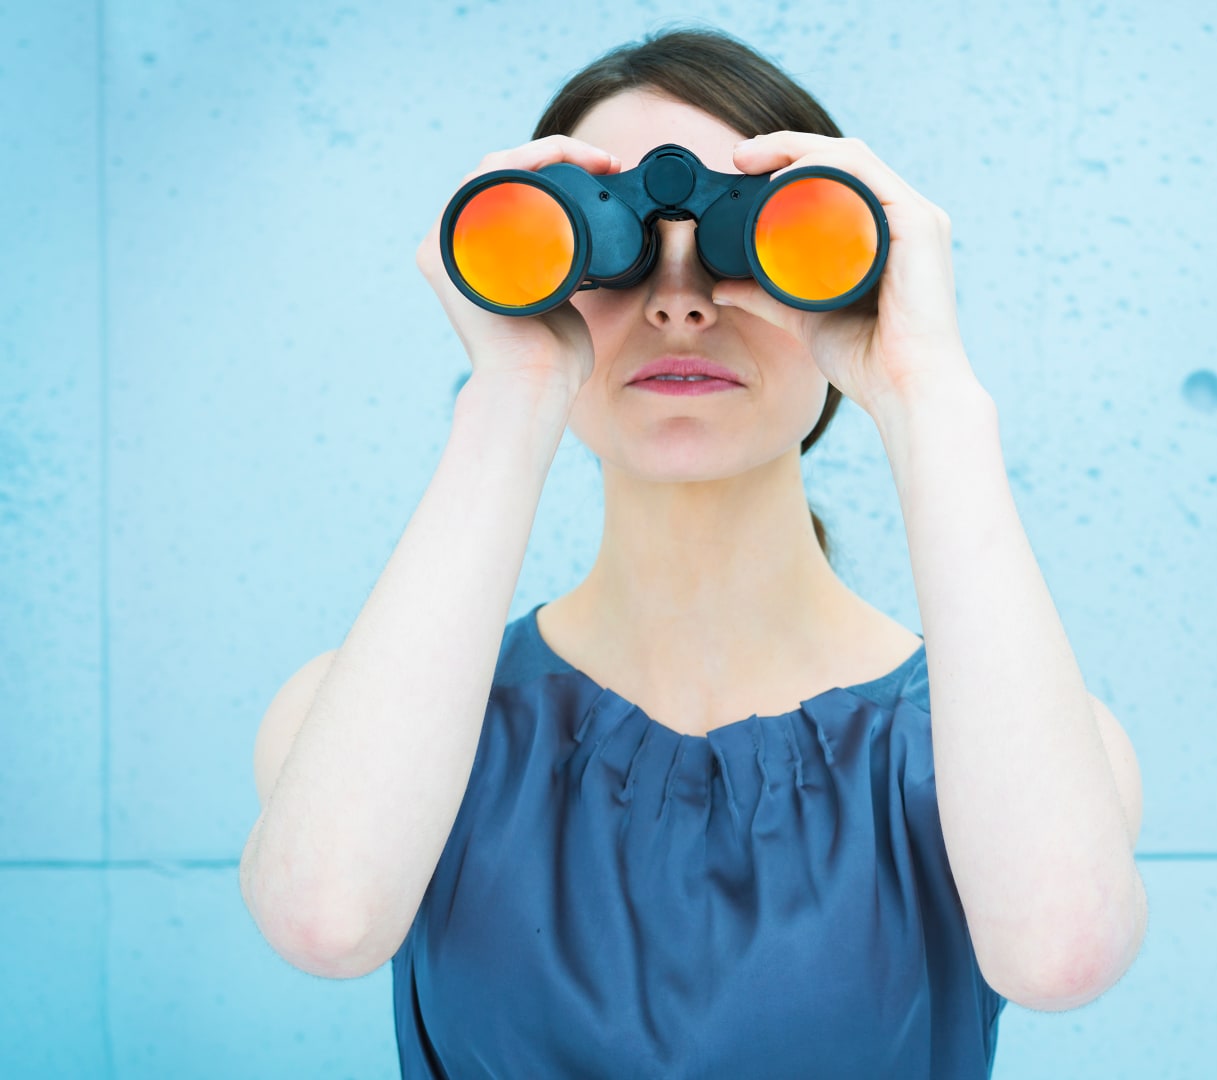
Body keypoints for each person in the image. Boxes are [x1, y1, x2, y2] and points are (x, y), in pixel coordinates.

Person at [237, 25, 1145, 1079]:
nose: (680, 302)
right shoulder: (367, 726)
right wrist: (512, 393)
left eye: (742, 244)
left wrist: (929, 392)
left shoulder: (1006, 749)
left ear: (851, 279)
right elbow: (326, 921)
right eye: (611, 247)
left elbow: (1061, 954)